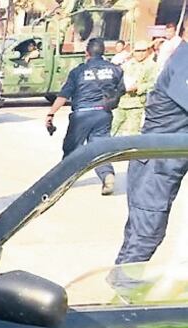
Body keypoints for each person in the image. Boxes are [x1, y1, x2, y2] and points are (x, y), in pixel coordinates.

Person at [113, 40, 188, 266]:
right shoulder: (185, 62)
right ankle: (122, 284)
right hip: (156, 163)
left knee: (142, 234)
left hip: (164, 162)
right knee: (145, 235)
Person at [46, 37, 124, 195]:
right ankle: (107, 174)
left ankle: (61, 180)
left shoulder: (78, 72)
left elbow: (64, 95)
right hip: (103, 114)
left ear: (87, 52)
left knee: (72, 148)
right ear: (103, 51)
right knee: (100, 147)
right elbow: (121, 89)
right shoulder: (115, 70)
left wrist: (51, 113)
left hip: (82, 114)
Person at [112, 41, 158, 136]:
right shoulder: (127, 64)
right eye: (138, 51)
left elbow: (154, 83)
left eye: (143, 51)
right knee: (113, 129)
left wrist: (138, 87)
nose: (140, 53)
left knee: (132, 133)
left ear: (148, 51)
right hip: (121, 102)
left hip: (137, 104)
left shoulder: (152, 66)